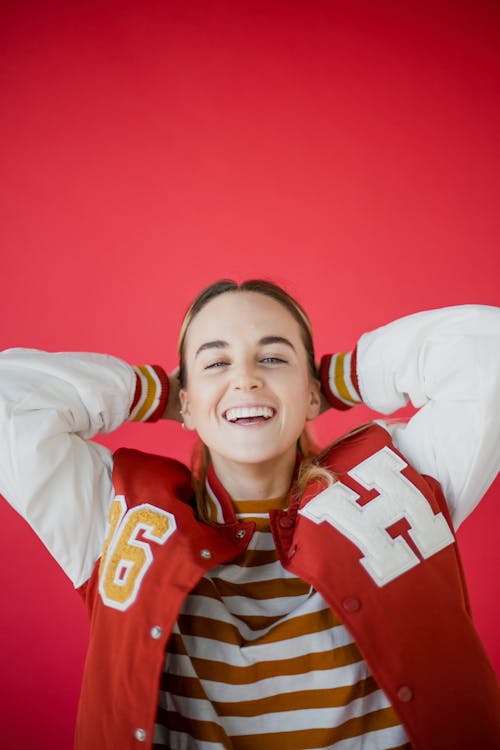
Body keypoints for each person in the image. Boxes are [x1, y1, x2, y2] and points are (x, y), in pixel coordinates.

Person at [1, 278, 500, 750]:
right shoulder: (111, 512)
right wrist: (148, 390)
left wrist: (344, 378)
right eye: (216, 364)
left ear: (310, 392)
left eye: (273, 357)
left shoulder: (398, 481)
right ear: (187, 405)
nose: (246, 378)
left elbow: (489, 353)